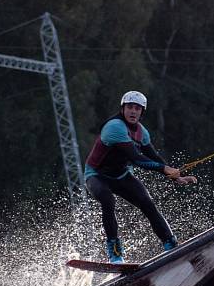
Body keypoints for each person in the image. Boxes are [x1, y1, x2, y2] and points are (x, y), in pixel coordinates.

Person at [84, 90, 196, 263]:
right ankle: (115, 255)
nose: (133, 111)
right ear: (123, 109)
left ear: (142, 112)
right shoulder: (114, 127)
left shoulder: (142, 133)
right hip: (97, 176)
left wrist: (176, 177)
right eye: (130, 107)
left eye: (137, 108)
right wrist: (165, 169)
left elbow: (153, 156)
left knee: (147, 203)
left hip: (121, 176)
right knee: (108, 200)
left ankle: (170, 243)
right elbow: (137, 158)